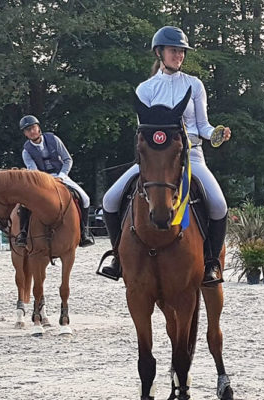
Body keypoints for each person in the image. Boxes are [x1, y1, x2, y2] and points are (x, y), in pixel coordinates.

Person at [99, 26, 231, 285]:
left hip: (191, 156)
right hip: (153, 161)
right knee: (110, 200)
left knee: (218, 205)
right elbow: (144, 132)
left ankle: (211, 262)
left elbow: (202, 126)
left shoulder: (195, 85)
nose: (179, 56)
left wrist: (215, 132)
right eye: (174, 51)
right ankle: (117, 257)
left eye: (181, 52)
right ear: (159, 53)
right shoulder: (145, 89)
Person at [19, 115, 94, 247]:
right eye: (27, 130)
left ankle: (84, 232)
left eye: (33, 128)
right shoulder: (26, 151)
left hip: (61, 175)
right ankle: (23, 234)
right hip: (40, 180)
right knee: (24, 203)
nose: (31, 131)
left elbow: (67, 160)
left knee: (85, 198)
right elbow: (33, 171)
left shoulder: (54, 139)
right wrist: (46, 180)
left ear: (38, 128)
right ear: (25, 134)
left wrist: (61, 176)